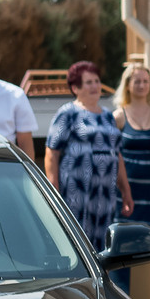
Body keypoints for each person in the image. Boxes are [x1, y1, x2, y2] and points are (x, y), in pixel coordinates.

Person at [44, 60, 132, 252]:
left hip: (104, 192)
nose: (95, 86)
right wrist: (53, 189)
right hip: (76, 190)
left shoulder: (109, 116)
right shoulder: (67, 113)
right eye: (89, 82)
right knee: (75, 241)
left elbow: (117, 155)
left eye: (97, 81)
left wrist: (125, 191)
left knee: (101, 245)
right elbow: (52, 152)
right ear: (75, 88)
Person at [110, 61, 150, 239]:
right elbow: (112, 154)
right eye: (137, 81)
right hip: (126, 189)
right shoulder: (118, 117)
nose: (142, 85)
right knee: (124, 237)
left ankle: (148, 269)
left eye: (146, 81)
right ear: (127, 85)